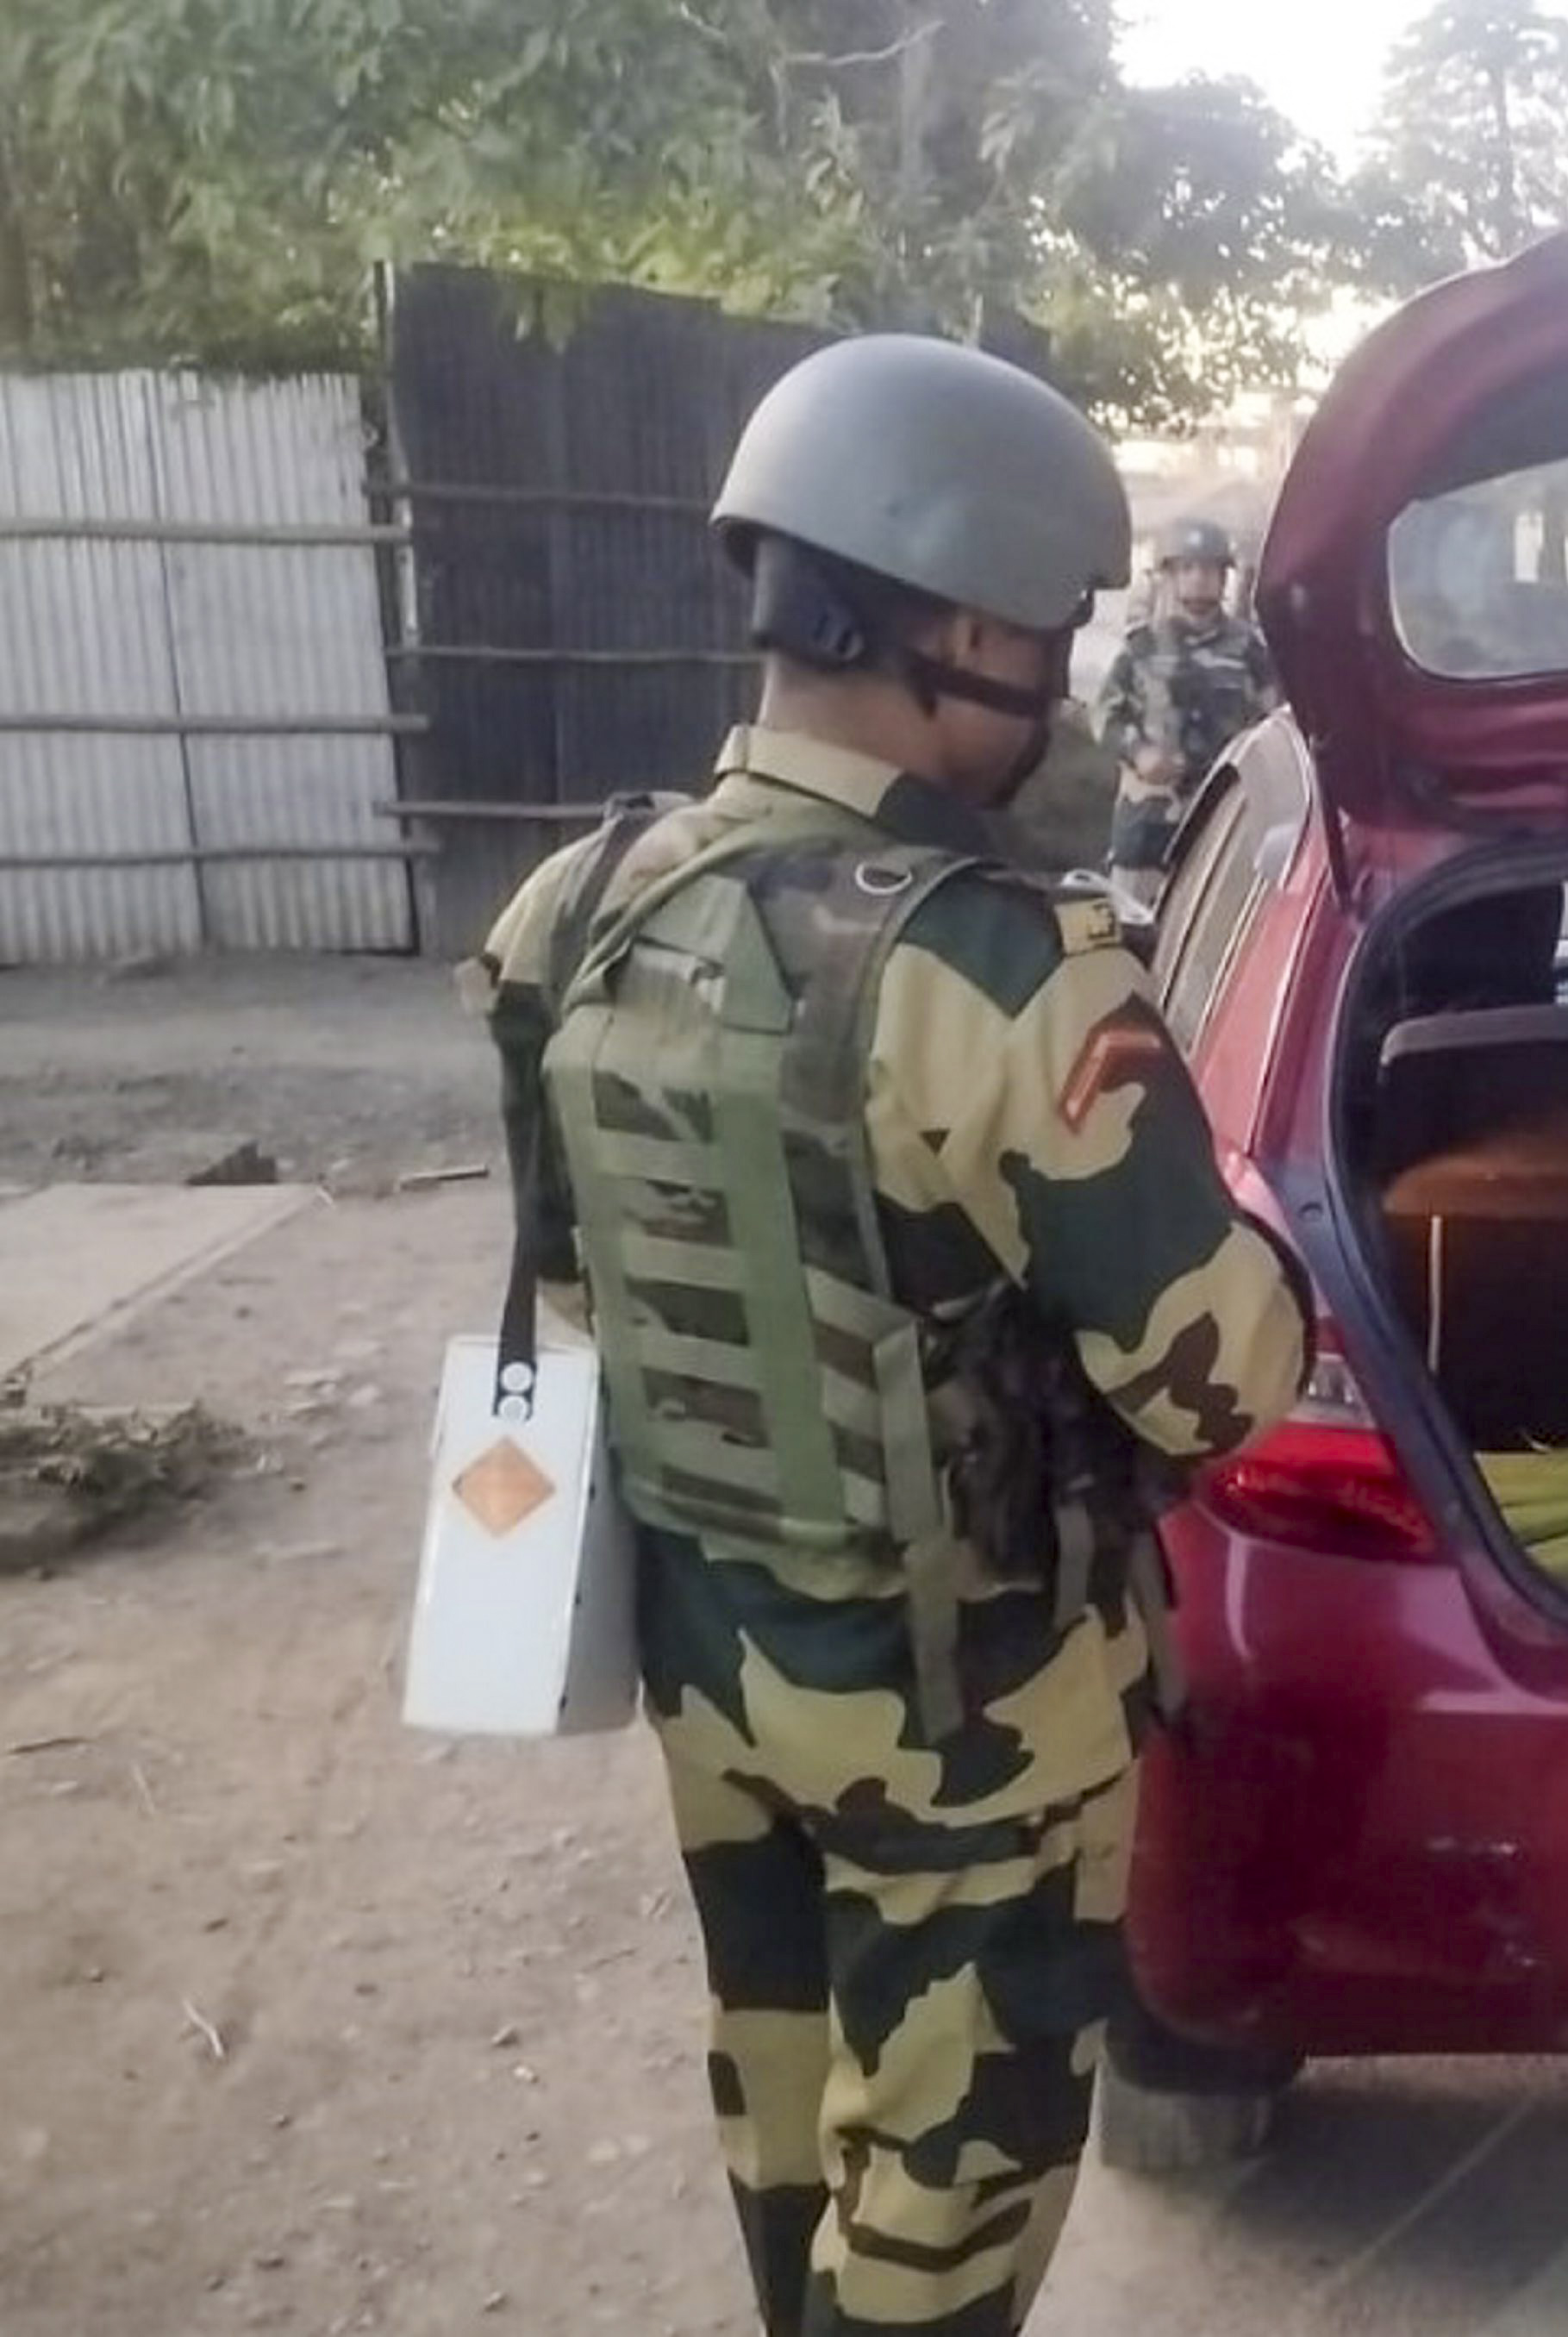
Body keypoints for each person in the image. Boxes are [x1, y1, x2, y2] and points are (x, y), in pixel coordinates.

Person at [465, 334, 1310, 2337]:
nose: (1060, 677)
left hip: (715, 1652)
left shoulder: (569, 912)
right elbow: (1223, 1377)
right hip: (969, 1715)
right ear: (942, 623)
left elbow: (582, 1290)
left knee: (787, 2105)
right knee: (948, 2188)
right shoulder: (992, 973)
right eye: (1040, 628)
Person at [1093, 516, 1281, 901]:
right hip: (1149, 826)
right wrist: (1139, 751)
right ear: (1169, 575)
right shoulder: (1140, 648)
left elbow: (1276, 724)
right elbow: (1105, 716)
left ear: (1224, 578)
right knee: (1132, 936)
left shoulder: (1249, 651)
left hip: (1222, 829)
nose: (1199, 578)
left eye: (1210, 569)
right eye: (1188, 568)